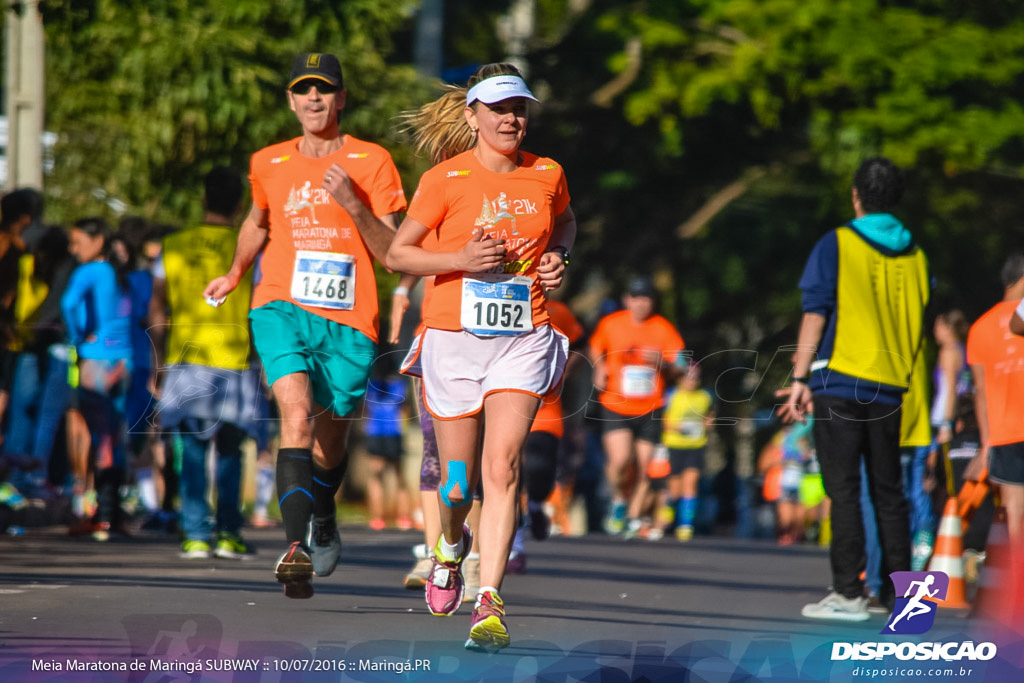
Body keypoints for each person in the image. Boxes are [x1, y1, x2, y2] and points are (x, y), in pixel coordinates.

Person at [385, 63, 576, 651]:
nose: (511, 118)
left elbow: (565, 223)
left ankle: (488, 598)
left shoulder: (548, 173)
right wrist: (460, 260)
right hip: (454, 340)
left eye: (519, 107)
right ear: (472, 116)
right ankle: (448, 547)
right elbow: (398, 255)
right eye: (498, 109)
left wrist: (558, 259)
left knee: (504, 470)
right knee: (456, 486)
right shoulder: (445, 179)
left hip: (524, 334)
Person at [204, 52, 405, 598]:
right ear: (291, 101)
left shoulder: (373, 161)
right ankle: (295, 550)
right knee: (294, 416)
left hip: (349, 321)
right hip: (281, 305)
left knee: (331, 443)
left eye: (324, 89)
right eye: (303, 90)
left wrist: (353, 205)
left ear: (341, 98)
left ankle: (323, 514)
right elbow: (256, 220)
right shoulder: (268, 162)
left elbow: (393, 255)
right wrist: (236, 271)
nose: (313, 98)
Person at [780, 157, 929, 621]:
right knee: (890, 492)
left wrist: (800, 377)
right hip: (891, 386)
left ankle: (848, 593)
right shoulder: (918, 255)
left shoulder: (838, 243)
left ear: (855, 194)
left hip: (840, 379)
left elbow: (816, 310)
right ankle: (904, 598)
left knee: (843, 490)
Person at [150, 166, 260, 560]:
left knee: (192, 448)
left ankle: (196, 534)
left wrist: (157, 364)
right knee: (230, 449)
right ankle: (229, 533)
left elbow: (157, 307)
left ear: (204, 199)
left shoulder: (174, 244)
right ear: (239, 204)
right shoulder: (248, 247)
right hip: (235, 358)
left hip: (185, 358)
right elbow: (258, 306)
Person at [588, 276, 685, 536]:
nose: (641, 304)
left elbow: (682, 365)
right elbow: (596, 347)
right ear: (627, 300)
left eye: (647, 298)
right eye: (636, 298)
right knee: (620, 461)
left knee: (645, 467)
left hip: (651, 407)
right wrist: (599, 367)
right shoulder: (611, 324)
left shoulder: (662, 328)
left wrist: (663, 362)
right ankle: (620, 499)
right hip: (616, 403)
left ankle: (632, 517)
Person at [61, 217, 134, 541]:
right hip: (125, 361)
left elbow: (67, 303)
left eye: (78, 242)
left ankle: (102, 517)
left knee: (100, 436)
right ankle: (113, 515)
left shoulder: (89, 271)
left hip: (95, 361)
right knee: (115, 436)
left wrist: (78, 337)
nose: (73, 250)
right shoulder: (120, 274)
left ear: (98, 240)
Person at [969, 254, 1024, 553]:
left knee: (1014, 509)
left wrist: (986, 442)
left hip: (1006, 431)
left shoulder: (980, 327)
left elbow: (980, 390)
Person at [655, 360, 715, 542]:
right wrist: (678, 427)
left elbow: (709, 418)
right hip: (674, 446)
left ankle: (685, 525)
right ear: (680, 379)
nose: (692, 380)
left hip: (695, 446)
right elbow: (663, 421)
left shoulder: (705, 396)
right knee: (674, 490)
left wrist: (706, 425)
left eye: (696, 377)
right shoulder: (671, 395)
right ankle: (667, 512)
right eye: (688, 377)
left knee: (691, 483)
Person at [361, 361, 413, 531]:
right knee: (398, 476)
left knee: (377, 476)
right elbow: (405, 410)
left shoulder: (370, 386)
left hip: (376, 432)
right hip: (392, 432)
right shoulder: (399, 386)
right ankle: (402, 517)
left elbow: (365, 410)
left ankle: (378, 518)